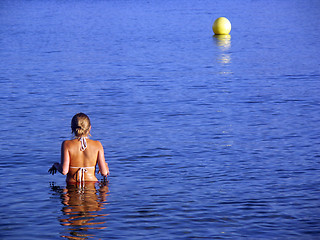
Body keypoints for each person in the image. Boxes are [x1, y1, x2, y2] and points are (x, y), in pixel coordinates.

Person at [49, 113, 109, 183]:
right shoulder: (97, 144)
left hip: (72, 186)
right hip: (91, 186)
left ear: (72, 128)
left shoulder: (66, 144)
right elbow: (104, 172)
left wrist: (56, 165)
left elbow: (64, 171)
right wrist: (105, 165)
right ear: (89, 128)